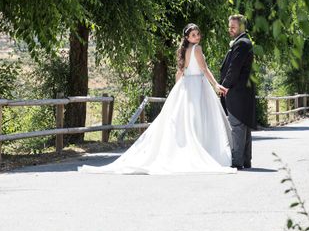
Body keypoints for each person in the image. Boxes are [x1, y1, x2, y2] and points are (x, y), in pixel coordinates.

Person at [78, 23, 236, 175]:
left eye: (198, 34)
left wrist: (177, 90)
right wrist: (215, 84)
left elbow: (179, 73)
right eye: (193, 35)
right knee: (200, 119)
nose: (197, 37)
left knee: (185, 121)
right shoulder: (197, 48)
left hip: (186, 85)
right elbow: (204, 68)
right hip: (197, 85)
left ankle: (185, 152)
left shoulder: (183, 50)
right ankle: (203, 151)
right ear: (187, 37)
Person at [218, 14, 256, 169]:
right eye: (229, 26)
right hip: (242, 92)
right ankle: (245, 160)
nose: (230, 30)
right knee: (243, 126)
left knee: (237, 127)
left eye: (233, 27)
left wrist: (224, 86)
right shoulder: (244, 42)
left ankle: (237, 161)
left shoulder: (242, 43)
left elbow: (234, 68)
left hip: (237, 92)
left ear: (241, 27)